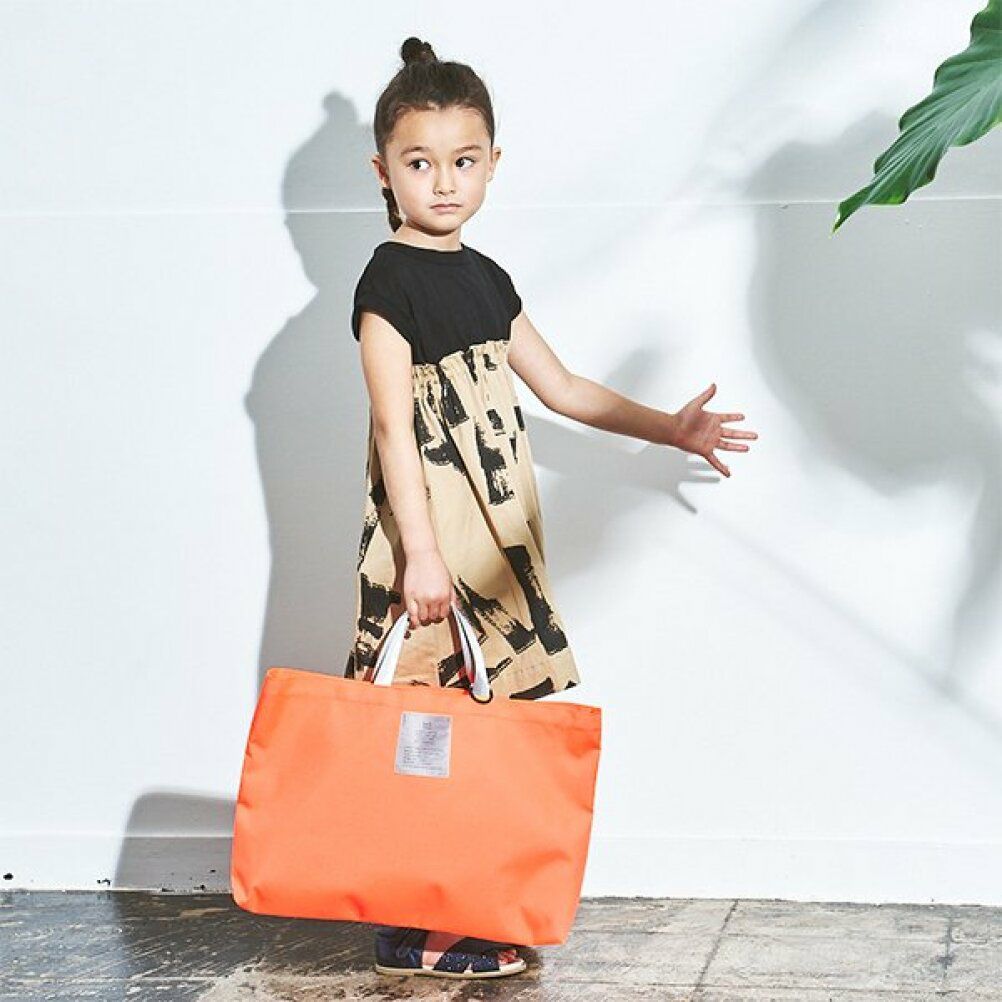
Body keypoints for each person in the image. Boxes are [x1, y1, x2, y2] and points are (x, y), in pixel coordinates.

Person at [346, 36, 758, 981]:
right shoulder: (387, 282)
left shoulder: (487, 278)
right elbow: (393, 426)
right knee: (425, 730)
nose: (443, 183)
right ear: (384, 172)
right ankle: (414, 924)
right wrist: (419, 554)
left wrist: (671, 429)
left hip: (495, 540)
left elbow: (564, 388)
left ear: (493, 163)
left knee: (479, 725)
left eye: (463, 161)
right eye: (420, 163)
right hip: (433, 535)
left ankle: (457, 904)